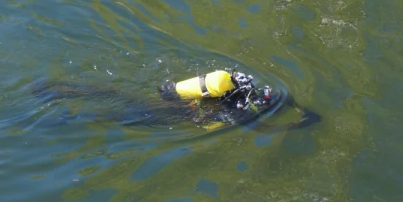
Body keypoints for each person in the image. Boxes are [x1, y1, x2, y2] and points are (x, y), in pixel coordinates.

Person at [33, 67, 319, 133]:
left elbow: (287, 98)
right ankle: (69, 119)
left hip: (182, 100)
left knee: (119, 95)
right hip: (180, 113)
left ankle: (64, 89)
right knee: (123, 117)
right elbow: (266, 129)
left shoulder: (240, 85)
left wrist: (300, 111)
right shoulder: (245, 113)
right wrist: (297, 126)